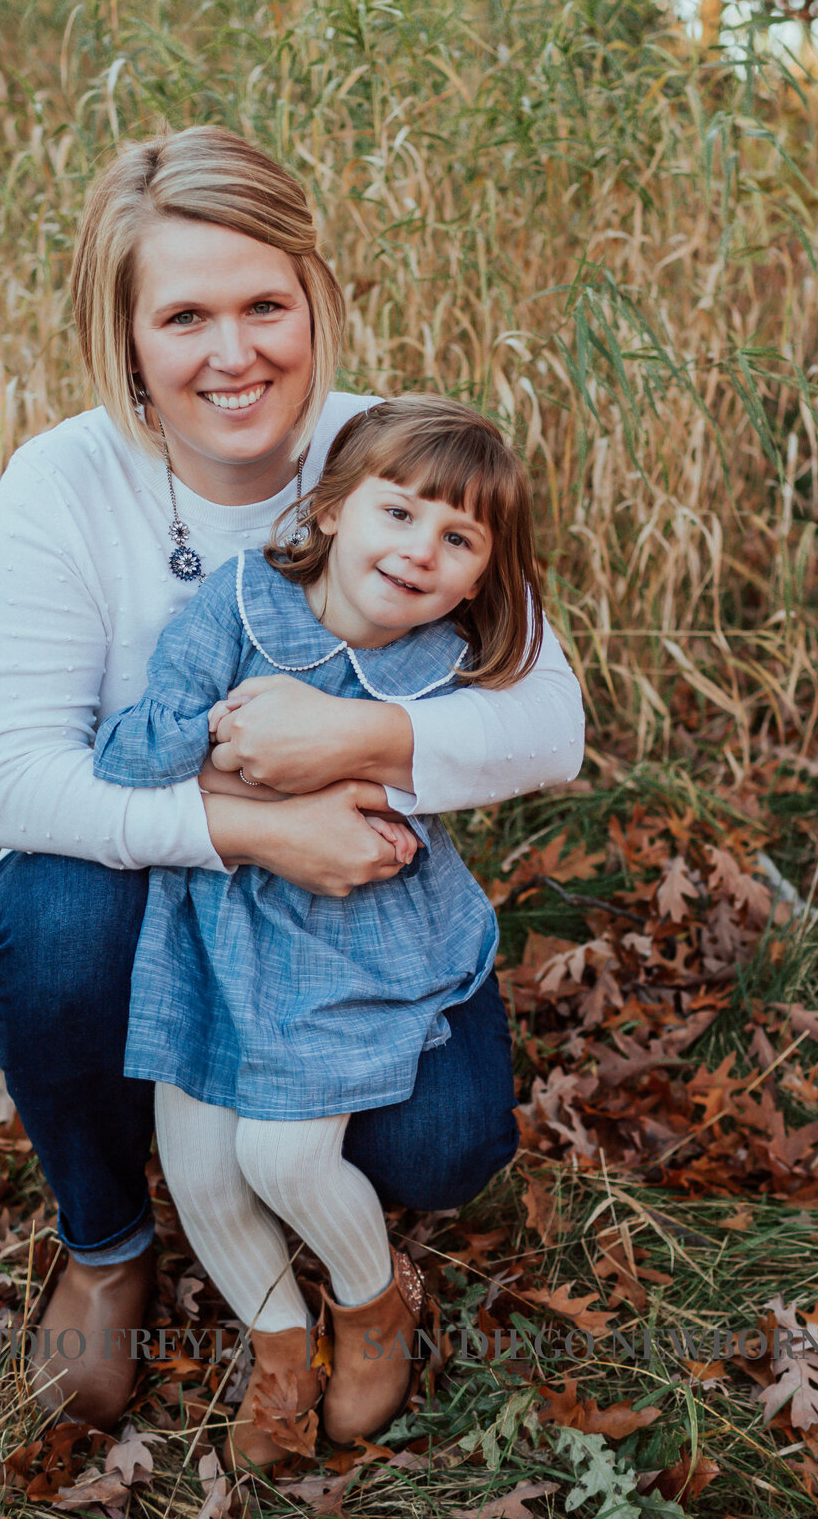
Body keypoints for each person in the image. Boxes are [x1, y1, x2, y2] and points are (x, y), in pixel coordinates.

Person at [0, 128, 584, 1432]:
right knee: (46, 912)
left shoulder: (394, 455)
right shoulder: (64, 484)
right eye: (186, 314)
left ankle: (359, 1264)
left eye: (264, 306)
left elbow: (550, 723)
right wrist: (254, 826)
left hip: (354, 921)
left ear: (316, 301)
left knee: (441, 1150)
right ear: (127, 335)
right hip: (180, 899)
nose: (233, 354)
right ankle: (110, 1238)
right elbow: (11, 783)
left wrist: (350, 746)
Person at [92, 397, 547, 1465]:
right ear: (333, 511)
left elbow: (391, 829)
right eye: (399, 512)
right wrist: (219, 748)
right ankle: (281, 1347)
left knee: (286, 1155)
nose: (419, 550)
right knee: (201, 1171)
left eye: (458, 538)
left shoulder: (442, 673)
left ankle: (369, 1301)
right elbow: (129, 752)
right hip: (213, 924)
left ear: (481, 576)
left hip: (352, 938)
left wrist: (334, 758)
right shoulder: (237, 608)